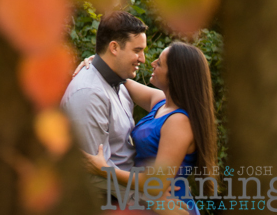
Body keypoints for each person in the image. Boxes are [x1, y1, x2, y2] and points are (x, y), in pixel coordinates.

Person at [82, 42, 218, 212]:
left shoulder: (179, 122)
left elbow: (155, 184)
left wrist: (104, 170)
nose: (152, 63)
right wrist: (97, 64)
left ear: (174, 75)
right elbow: (121, 79)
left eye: (159, 63)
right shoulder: (162, 102)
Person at [60, 11, 148, 202]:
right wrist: (150, 200)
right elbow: (93, 176)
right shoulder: (89, 94)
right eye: (137, 50)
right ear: (114, 48)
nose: (143, 59)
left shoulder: (121, 85)